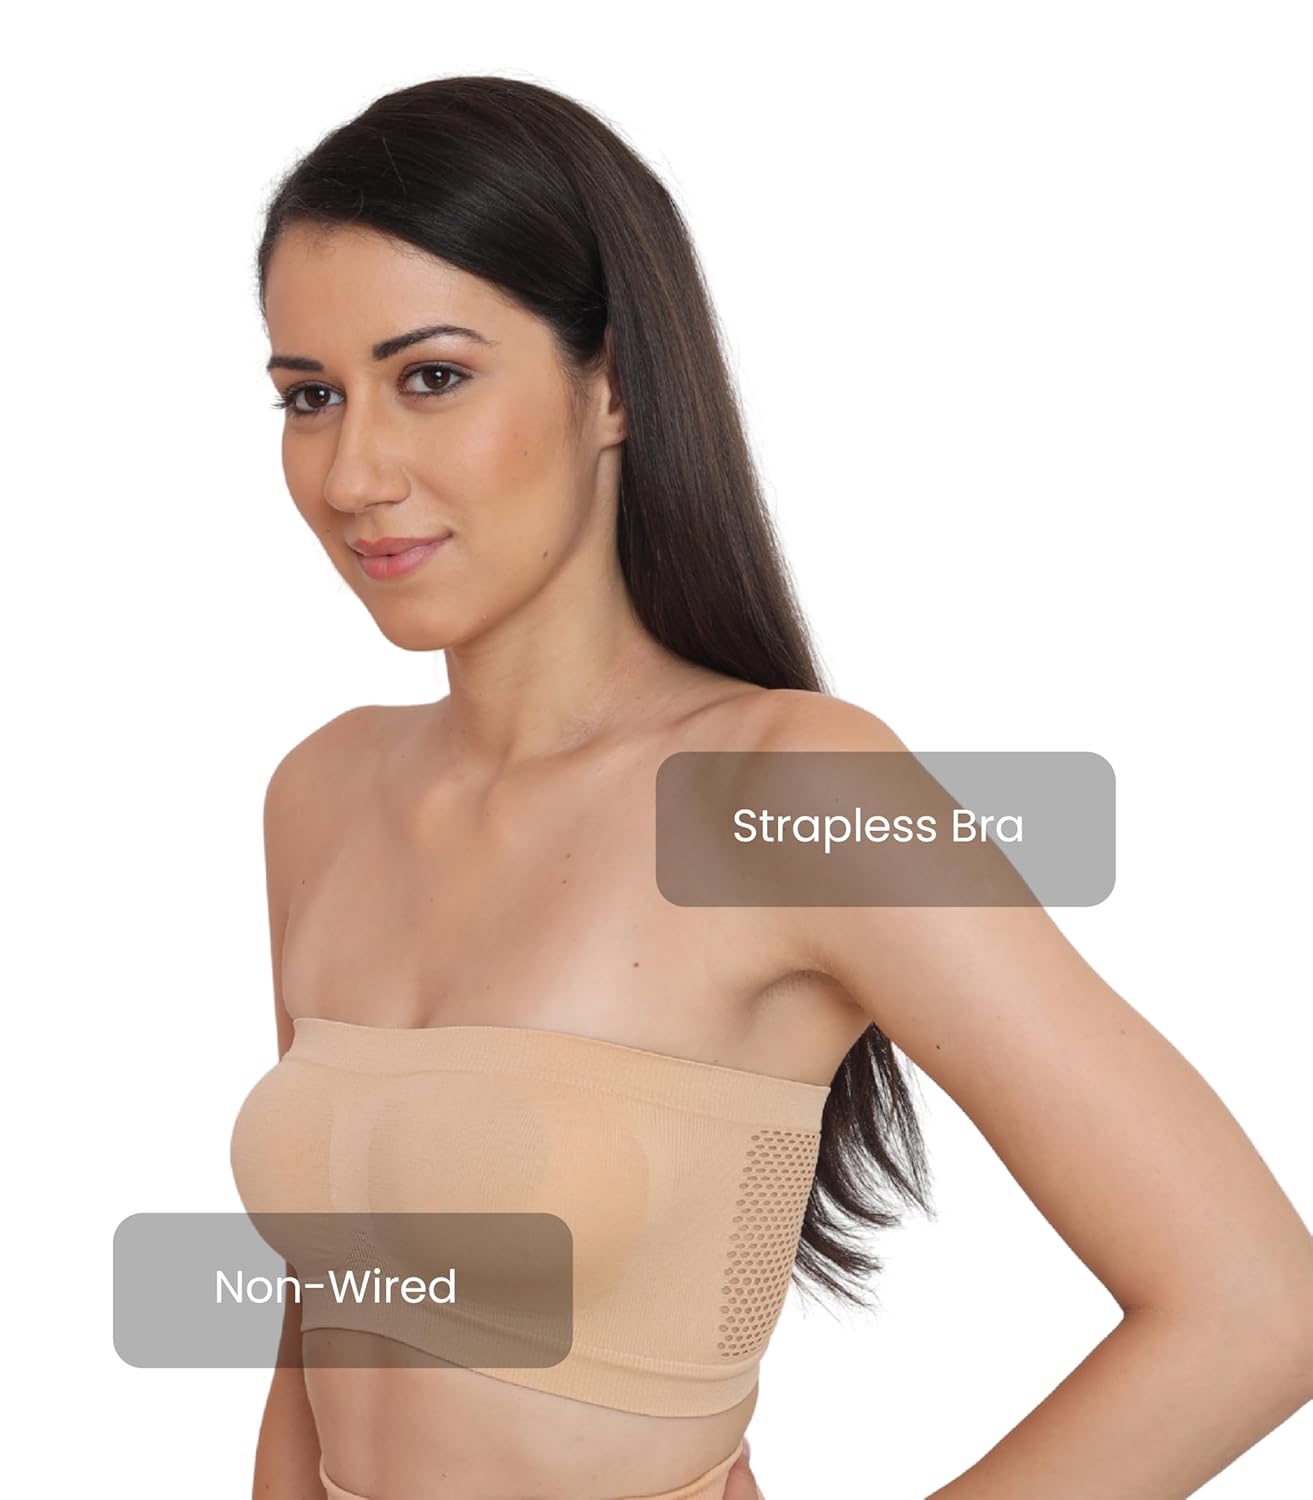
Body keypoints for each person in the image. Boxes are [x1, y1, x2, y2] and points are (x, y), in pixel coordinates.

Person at [231, 75, 1313, 1500]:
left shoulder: (788, 793)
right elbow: (322, 1322)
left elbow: (1255, 1310)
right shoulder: (322, 792)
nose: (354, 472)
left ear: (613, 386)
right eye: (311, 396)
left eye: (430, 377)